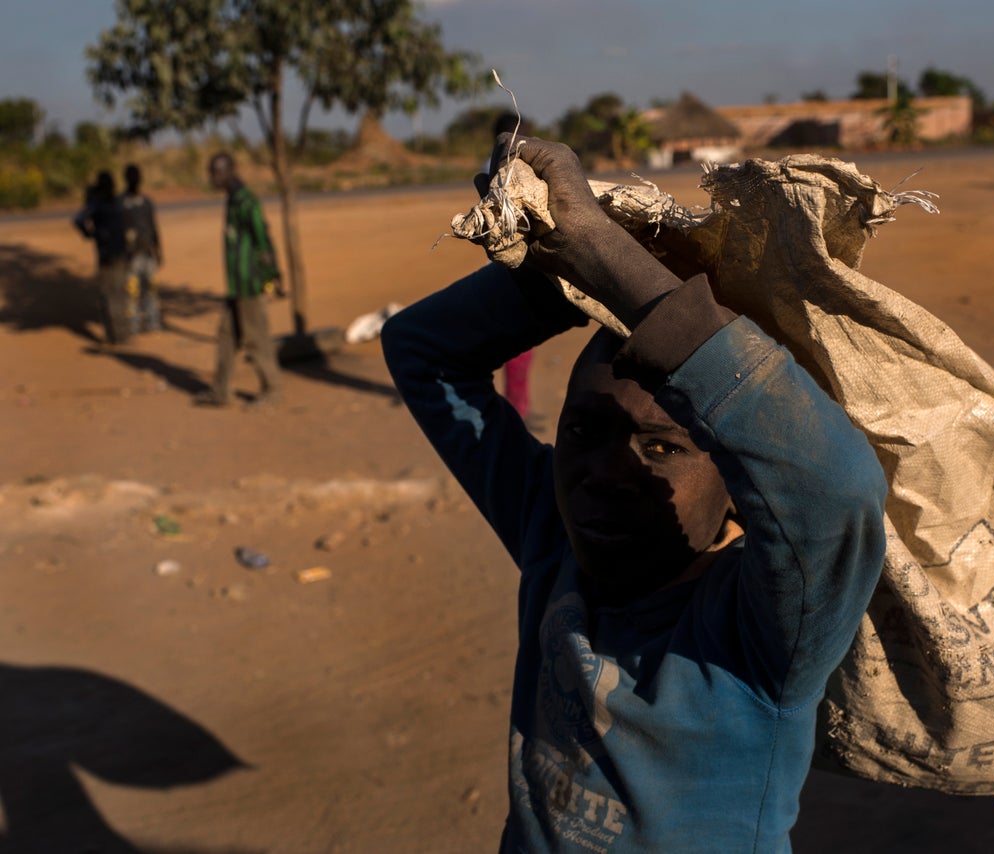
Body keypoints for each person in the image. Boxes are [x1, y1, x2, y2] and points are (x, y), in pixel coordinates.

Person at [382, 136, 887, 852]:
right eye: (585, 428)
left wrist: (605, 257)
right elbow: (420, 352)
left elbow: (836, 492)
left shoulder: (765, 628)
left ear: (741, 490)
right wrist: (553, 274)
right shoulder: (554, 537)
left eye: (663, 447)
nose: (606, 471)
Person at [195, 152, 283, 408]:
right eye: (212, 172)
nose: (213, 178)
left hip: (250, 283)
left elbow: (262, 237)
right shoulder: (232, 200)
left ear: (230, 170)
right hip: (235, 285)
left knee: (256, 339)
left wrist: (272, 273)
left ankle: (273, 389)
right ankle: (221, 391)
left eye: (217, 172)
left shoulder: (247, 202)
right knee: (226, 336)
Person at [492, 111, 537, 419]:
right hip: (517, 269)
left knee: (520, 347)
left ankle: (516, 406)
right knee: (519, 348)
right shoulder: (504, 169)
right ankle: (515, 410)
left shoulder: (500, 166)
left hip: (512, 268)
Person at [73, 171, 130, 345]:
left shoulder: (99, 203)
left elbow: (79, 219)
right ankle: (119, 335)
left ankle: (114, 334)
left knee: (110, 294)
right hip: (117, 253)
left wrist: (91, 234)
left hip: (109, 253)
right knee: (116, 294)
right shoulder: (115, 202)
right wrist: (92, 234)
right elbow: (79, 220)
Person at [120, 163, 163, 333]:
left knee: (151, 290)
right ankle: (133, 325)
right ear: (126, 179)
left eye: (136, 176)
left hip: (148, 254)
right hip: (130, 257)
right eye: (131, 176)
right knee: (131, 292)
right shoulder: (121, 203)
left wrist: (159, 251)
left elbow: (154, 227)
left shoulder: (146, 202)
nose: (134, 179)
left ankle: (153, 322)